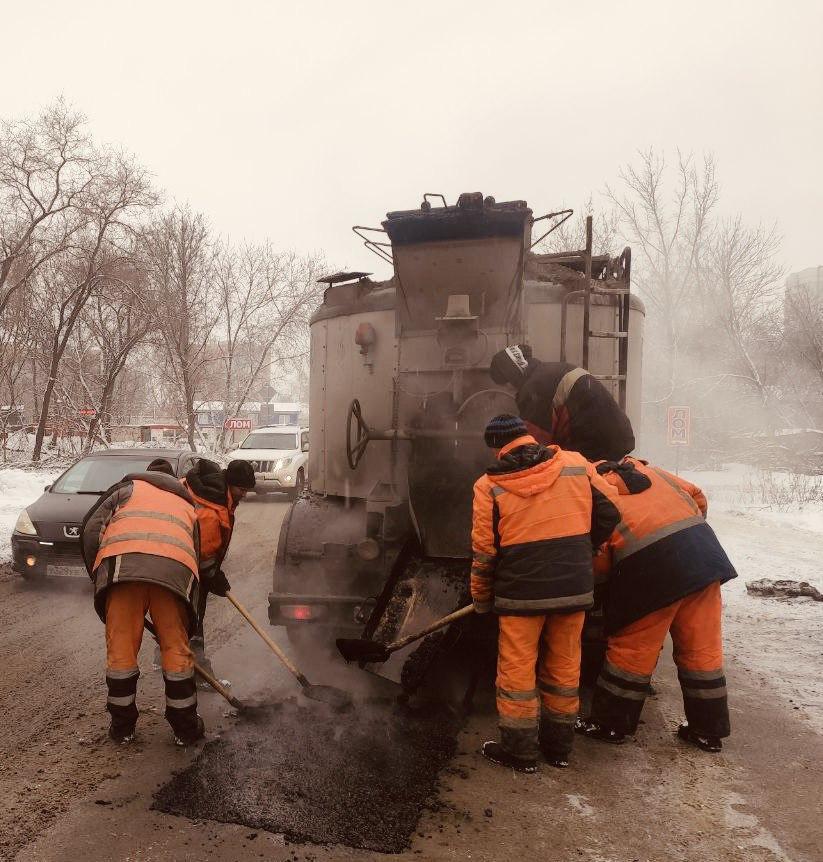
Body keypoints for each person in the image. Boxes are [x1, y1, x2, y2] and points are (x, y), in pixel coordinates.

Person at [470, 414, 620, 772]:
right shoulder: (576, 464)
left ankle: (520, 753)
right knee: (565, 666)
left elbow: (484, 552)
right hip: (572, 587)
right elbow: (611, 510)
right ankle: (558, 749)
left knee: (517, 673)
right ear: (527, 437)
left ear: (496, 446)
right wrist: (588, 547)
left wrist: (481, 598)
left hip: (520, 594)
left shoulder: (488, 485)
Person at [578, 457, 737, 752]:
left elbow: (599, 561)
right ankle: (707, 731)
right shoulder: (656, 473)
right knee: (702, 650)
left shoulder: (597, 496)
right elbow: (698, 496)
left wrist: (598, 589)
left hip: (651, 574)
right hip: (703, 562)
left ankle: (611, 725)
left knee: (632, 651)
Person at [81, 458, 203, 746]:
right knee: (175, 648)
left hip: (122, 572)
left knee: (121, 653)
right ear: (173, 480)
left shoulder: (125, 490)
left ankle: (123, 729)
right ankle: (185, 728)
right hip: (173, 576)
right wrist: (191, 617)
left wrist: (99, 578)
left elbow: (90, 530)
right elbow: (194, 560)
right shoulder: (188, 505)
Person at [489, 344, 635, 462]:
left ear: (512, 376)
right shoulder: (554, 369)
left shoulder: (535, 388)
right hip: (619, 437)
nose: (509, 389)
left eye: (506, 383)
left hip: (595, 447)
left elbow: (534, 444)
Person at [182, 458, 255, 683]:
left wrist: (213, 573)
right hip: (183, 565)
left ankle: (170, 658)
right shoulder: (209, 509)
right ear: (230, 483)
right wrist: (213, 575)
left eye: (246, 490)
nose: (244, 494)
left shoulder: (218, 495)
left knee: (184, 615)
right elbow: (202, 553)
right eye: (241, 489)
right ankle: (196, 672)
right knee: (193, 615)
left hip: (187, 562)